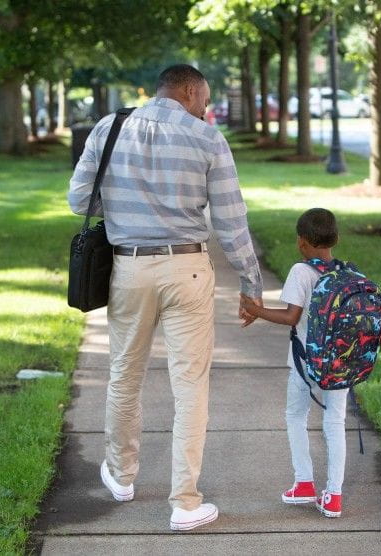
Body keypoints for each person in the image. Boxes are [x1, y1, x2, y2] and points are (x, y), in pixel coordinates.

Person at [68, 64, 263, 531]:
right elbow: (231, 221)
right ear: (190, 90)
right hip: (187, 267)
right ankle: (185, 502)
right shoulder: (207, 139)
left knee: (124, 375)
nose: (206, 109)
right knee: (190, 384)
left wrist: (124, 195)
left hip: (129, 267)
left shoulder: (109, 127)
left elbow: (80, 202)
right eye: (206, 101)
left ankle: (120, 476)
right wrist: (251, 282)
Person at [241, 208, 347, 518]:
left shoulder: (301, 271)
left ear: (301, 242)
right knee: (335, 422)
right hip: (340, 361)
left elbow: (291, 316)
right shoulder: (343, 272)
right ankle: (334, 496)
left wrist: (256, 310)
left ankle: (304, 484)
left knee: (295, 415)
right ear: (336, 238)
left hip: (307, 361)